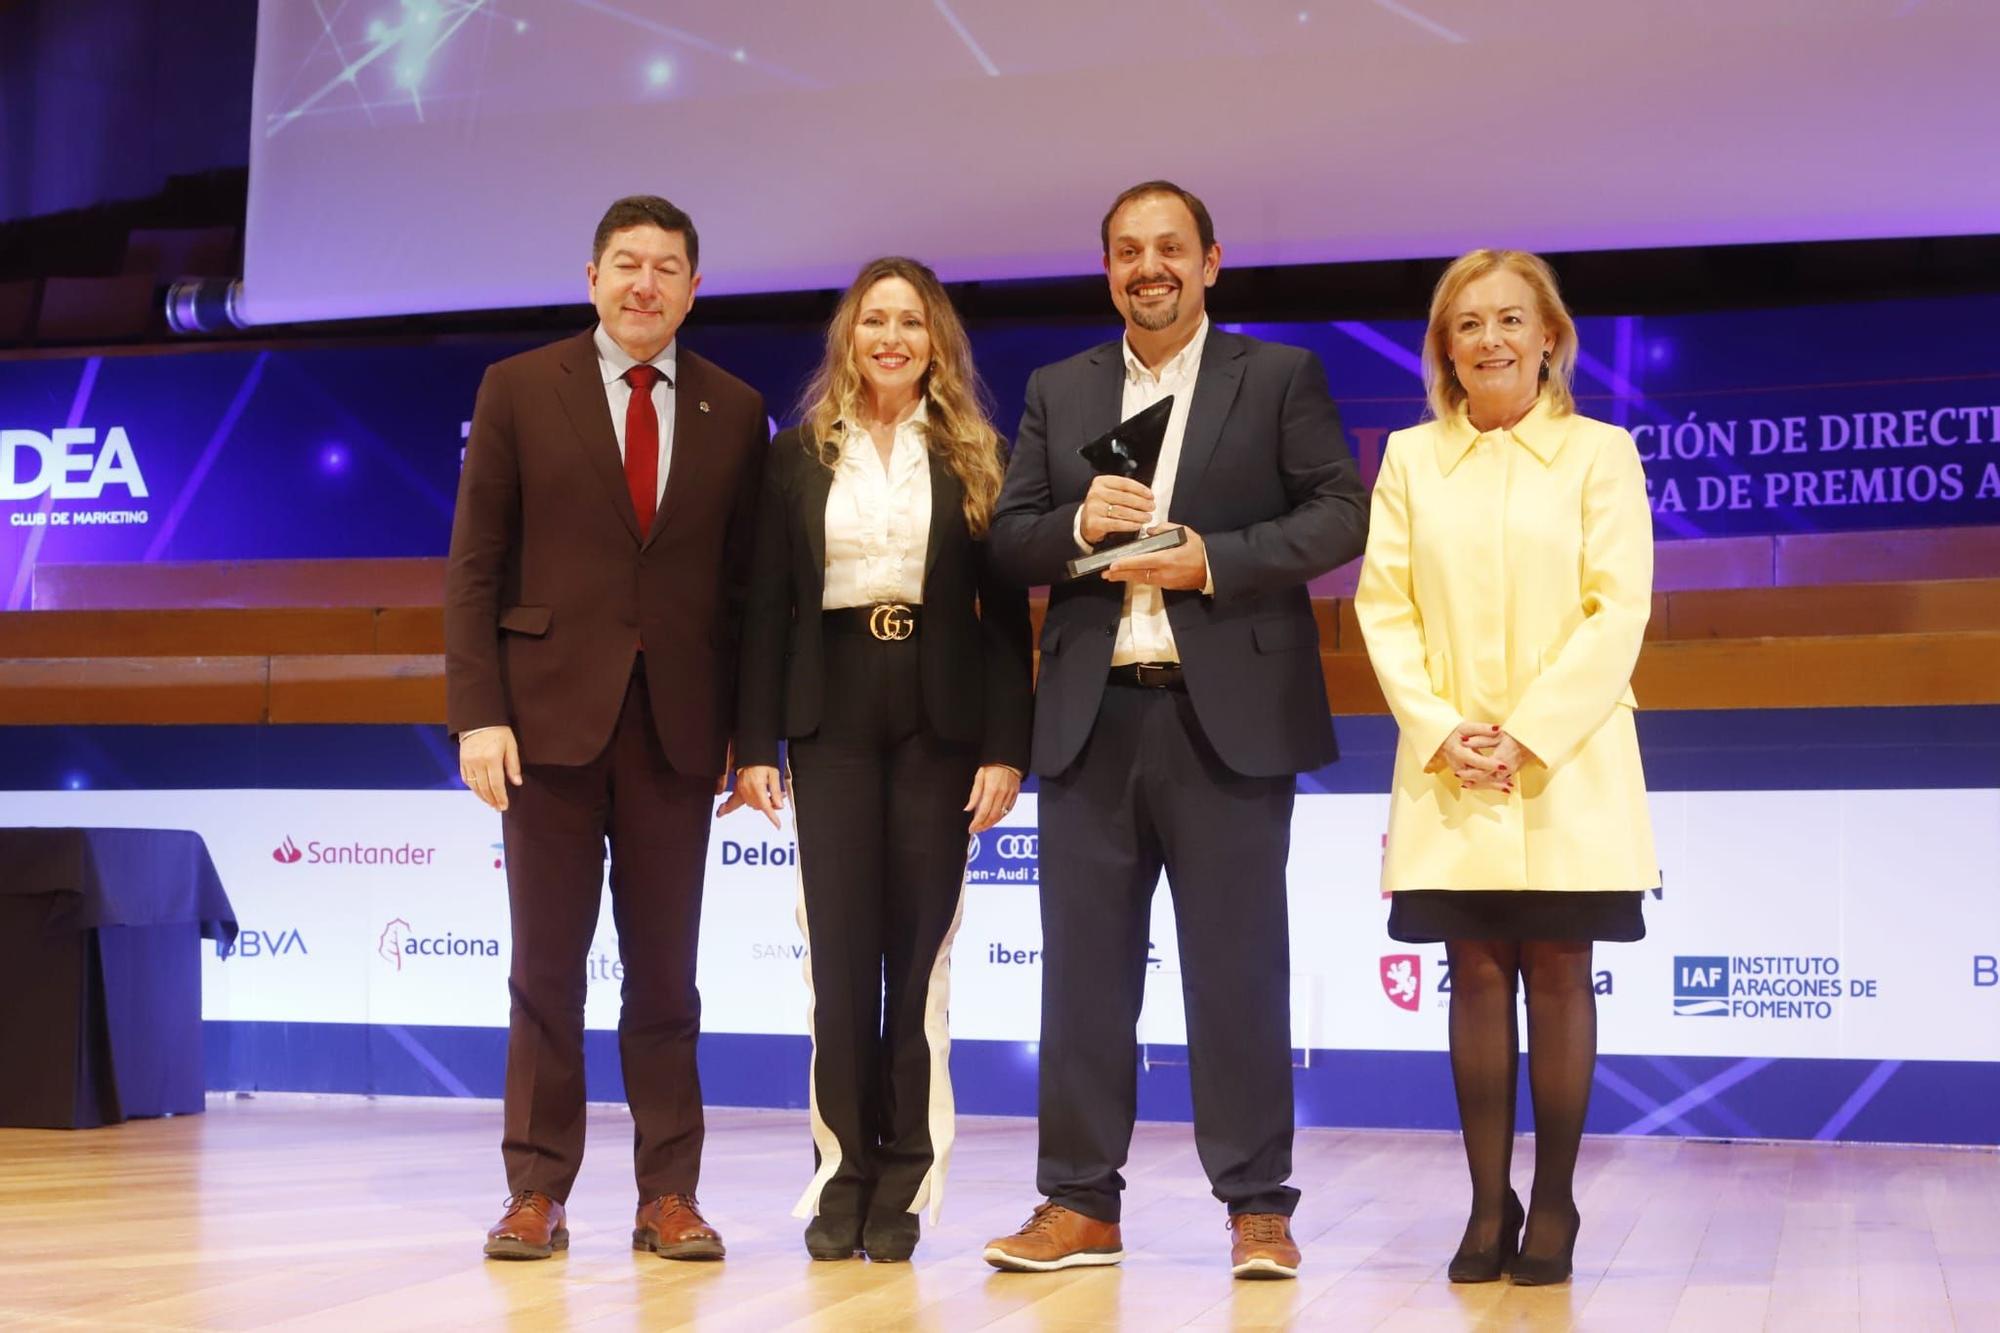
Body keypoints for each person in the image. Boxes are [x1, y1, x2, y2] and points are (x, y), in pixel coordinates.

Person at [981, 181, 1368, 1280]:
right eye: (1124, 251)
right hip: (1090, 715)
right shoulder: (1061, 390)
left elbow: (1340, 510)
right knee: (1084, 979)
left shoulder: (1277, 376)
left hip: (1226, 718)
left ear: (1209, 261)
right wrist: (1069, 526)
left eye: (1166, 248)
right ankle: (1078, 1205)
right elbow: (1007, 540)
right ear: (1106, 268)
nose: (1145, 267)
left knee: (1237, 973)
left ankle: (1255, 1205)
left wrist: (1211, 557)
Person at [445, 195, 768, 1263]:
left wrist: (752, 738)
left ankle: (666, 1193)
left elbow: (748, 594)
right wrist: (478, 712)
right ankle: (535, 1190)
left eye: (666, 267)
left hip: (679, 732)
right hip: (542, 726)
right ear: (591, 277)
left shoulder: (734, 407)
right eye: (626, 264)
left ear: (692, 288)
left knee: (666, 973)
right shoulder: (517, 388)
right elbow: (475, 565)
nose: (644, 284)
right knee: (544, 967)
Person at [1353, 249, 1658, 1286]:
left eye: (1507, 320)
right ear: (1443, 346)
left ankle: (1557, 1203)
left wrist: (1524, 733)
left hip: (1564, 762)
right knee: (1474, 971)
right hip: (1446, 767)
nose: (1488, 339)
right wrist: (1444, 731)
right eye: (1466, 323)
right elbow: (1380, 608)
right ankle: (1488, 1202)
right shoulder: (1407, 457)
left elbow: (1616, 607)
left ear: (1547, 338)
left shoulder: (1598, 453)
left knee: (1559, 966)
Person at [727, 256, 1032, 1264]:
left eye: (909, 321)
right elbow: (764, 605)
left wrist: (1004, 745)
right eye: (873, 322)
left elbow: (1000, 622)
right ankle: (840, 1175)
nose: (890, 338)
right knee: (843, 960)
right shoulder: (795, 455)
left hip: (939, 716)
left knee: (919, 958)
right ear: (847, 340)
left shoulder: (979, 453)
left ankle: (904, 1178)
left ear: (935, 340)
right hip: (831, 714)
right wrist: (754, 744)